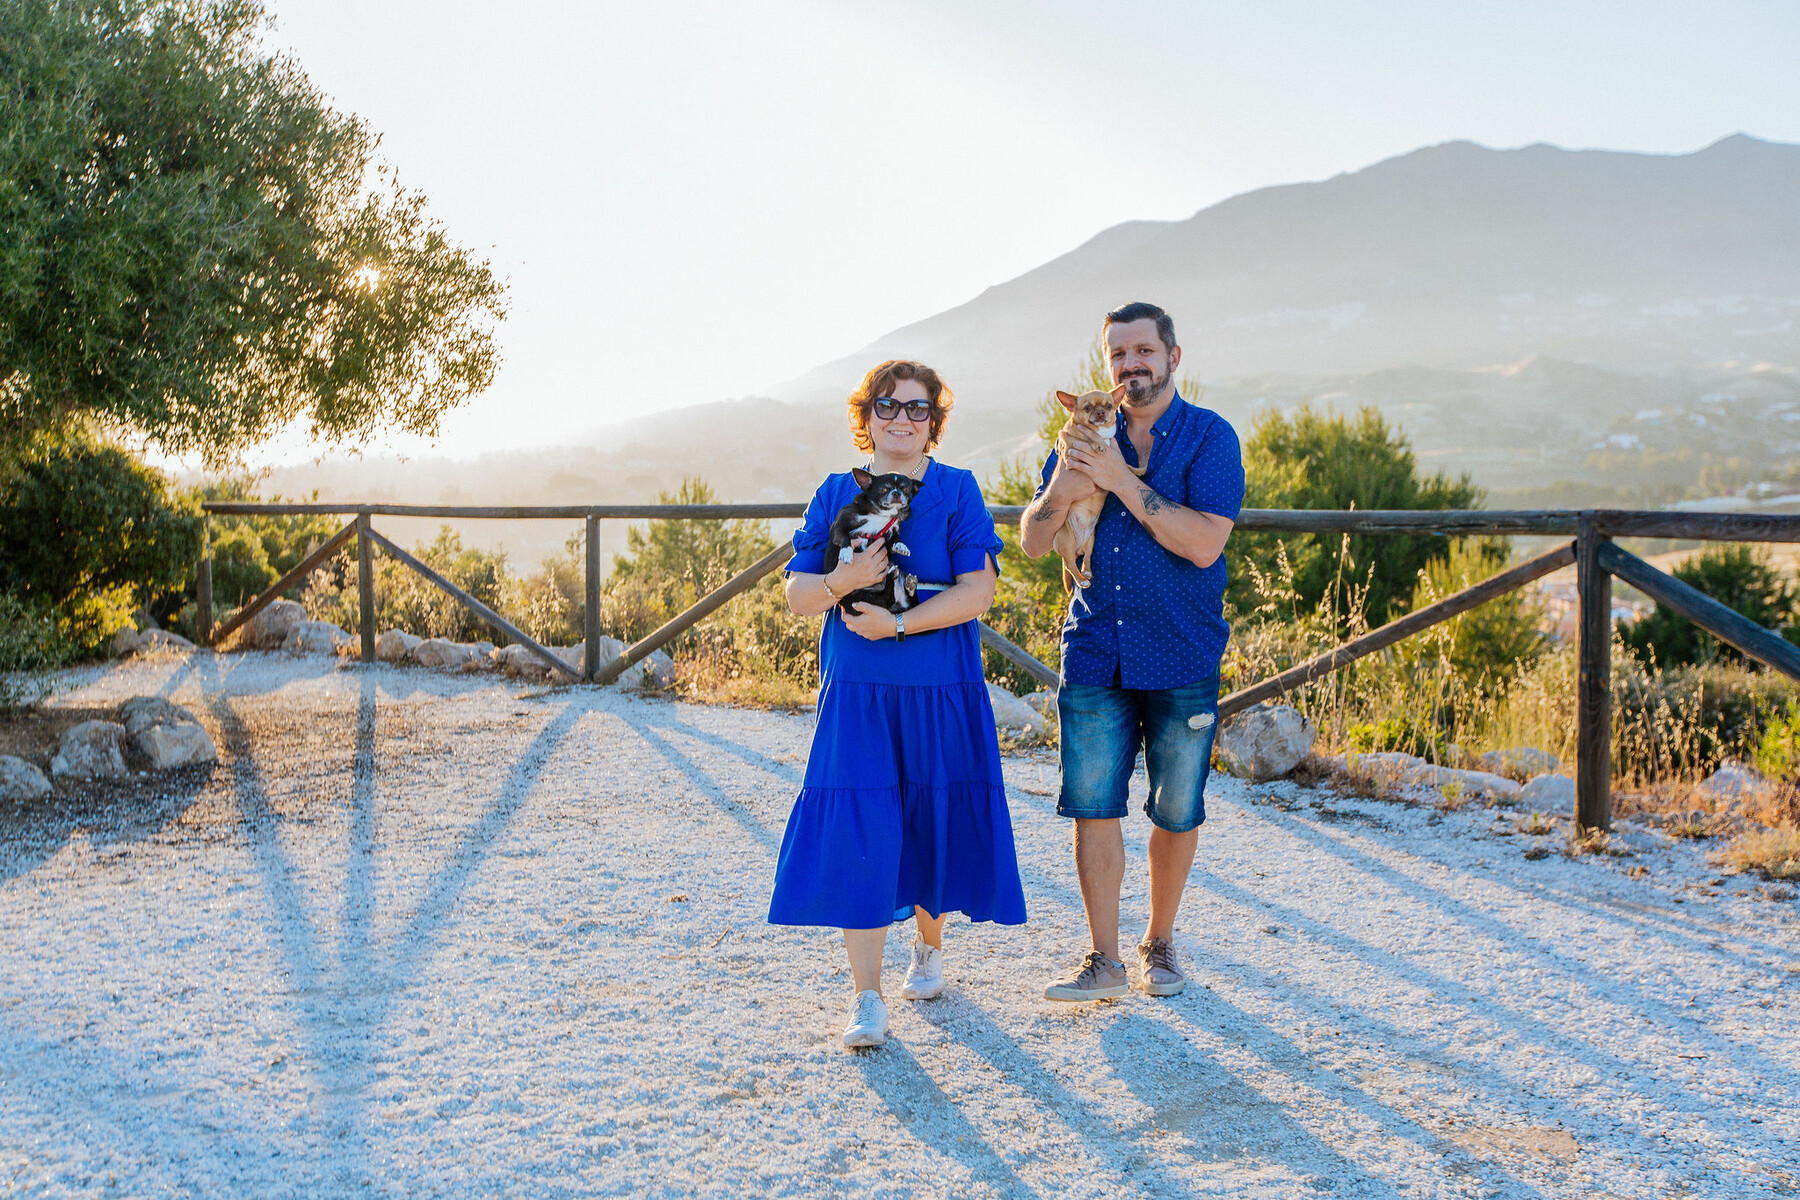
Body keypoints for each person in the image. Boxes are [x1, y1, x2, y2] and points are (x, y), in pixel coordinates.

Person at [769, 359, 1027, 1048]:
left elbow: (979, 592)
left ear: (933, 423)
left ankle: (930, 947)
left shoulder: (958, 490)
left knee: (931, 818)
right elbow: (797, 596)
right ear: (868, 417)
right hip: (857, 692)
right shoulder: (834, 492)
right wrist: (846, 578)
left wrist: (900, 623)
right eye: (889, 406)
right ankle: (866, 999)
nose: (903, 419)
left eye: (918, 409)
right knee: (862, 826)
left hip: (941, 688)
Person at [1020, 302, 1244, 1002]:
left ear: (1173, 356)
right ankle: (1105, 960)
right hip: (1094, 651)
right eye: (1118, 354)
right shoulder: (1078, 438)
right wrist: (1063, 484)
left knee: (1177, 808)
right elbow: (1032, 540)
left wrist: (1119, 479)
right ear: (1107, 369)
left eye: (1143, 350)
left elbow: (1205, 542)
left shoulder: (1209, 438)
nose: (1130, 364)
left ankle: (1160, 943)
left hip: (1180, 653)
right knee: (1092, 805)